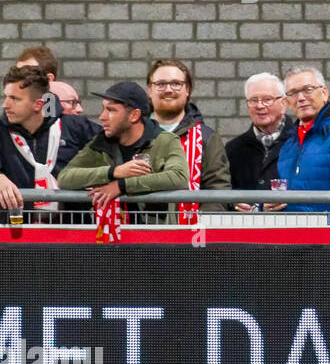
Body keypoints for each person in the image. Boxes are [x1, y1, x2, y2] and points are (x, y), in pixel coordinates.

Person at [57, 82, 187, 238]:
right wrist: (113, 172)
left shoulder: (164, 140)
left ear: (134, 115)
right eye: (103, 109)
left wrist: (122, 186)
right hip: (110, 240)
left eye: (111, 110)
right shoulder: (101, 142)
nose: (102, 117)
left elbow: (179, 177)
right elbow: (65, 178)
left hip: (156, 240)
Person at [0, 65, 99, 214]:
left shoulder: (76, 128)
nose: (5, 105)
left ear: (38, 104)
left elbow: (117, 149)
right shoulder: (1, 131)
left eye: (14, 99)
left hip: (70, 230)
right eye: (6, 97)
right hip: (14, 230)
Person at [147, 59, 231, 217]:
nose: (168, 89)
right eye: (161, 84)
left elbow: (217, 189)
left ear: (187, 90)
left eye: (176, 83)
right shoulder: (134, 133)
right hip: (138, 232)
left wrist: (200, 228)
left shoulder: (207, 138)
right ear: (150, 90)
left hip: (190, 234)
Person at [277, 66, 330, 214]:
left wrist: (329, 229)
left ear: (324, 93)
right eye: (293, 93)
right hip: (296, 232)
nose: (300, 98)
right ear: (286, 102)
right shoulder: (288, 145)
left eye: (308, 89)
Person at [226, 73, 294, 211]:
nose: (259, 105)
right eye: (253, 100)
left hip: (291, 227)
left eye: (267, 99)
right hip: (246, 229)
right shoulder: (233, 149)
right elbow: (222, 189)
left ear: (284, 104)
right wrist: (233, 204)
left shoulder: (300, 143)